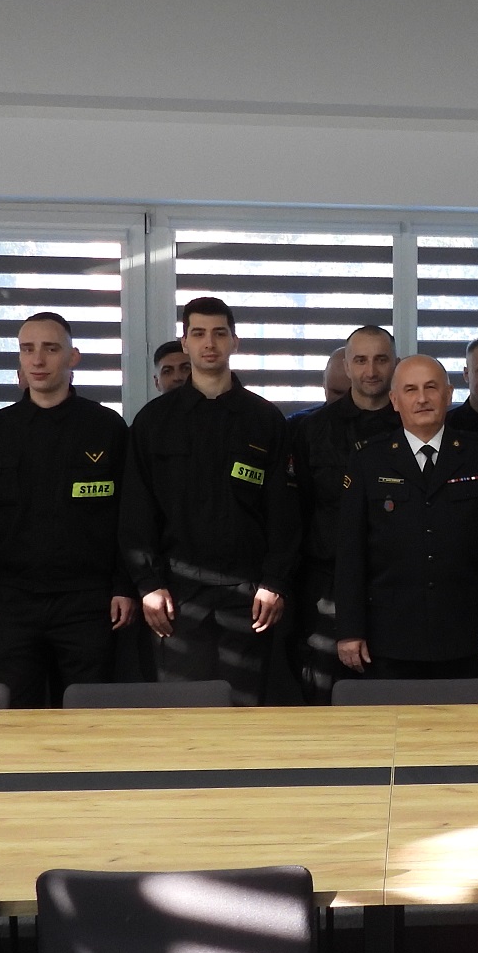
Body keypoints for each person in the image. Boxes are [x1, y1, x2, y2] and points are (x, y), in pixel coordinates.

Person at [122, 298, 298, 704]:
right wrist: (148, 584)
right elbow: (136, 511)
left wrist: (274, 582)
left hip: (249, 595)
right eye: (198, 333)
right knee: (184, 715)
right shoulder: (154, 421)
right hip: (176, 595)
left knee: (245, 712)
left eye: (219, 333)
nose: (209, 343)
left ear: (235, 342)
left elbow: (284, 514)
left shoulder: (265, 420)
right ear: (184, 343)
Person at [0, 313, 133, 707]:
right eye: (28, 349)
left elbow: (127, 516)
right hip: (13, 598)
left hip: (87, 598)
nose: (38, 360)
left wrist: (123, 586)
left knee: (89, 712)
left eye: (50, 349)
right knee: (9, 710)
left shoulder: (106, 427)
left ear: (73, 357)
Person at [336, 356, 478, 681]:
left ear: (449, 394)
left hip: (466, 632)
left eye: (431, 388)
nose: (422, 398)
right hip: (389, 633)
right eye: (410, 390)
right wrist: (350, 629)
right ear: (394, 400)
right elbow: (351, 552)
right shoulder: (368, 459)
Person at [287, 325, 401, 703]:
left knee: (392, 695)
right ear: (347, 367)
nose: (372, 370)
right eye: (361, 360)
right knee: (325, 694)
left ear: (395, 364)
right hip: (326, 584)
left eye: (381, 360)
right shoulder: (311, 430)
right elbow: (299, 511)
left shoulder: (413, 425)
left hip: (395, 583)